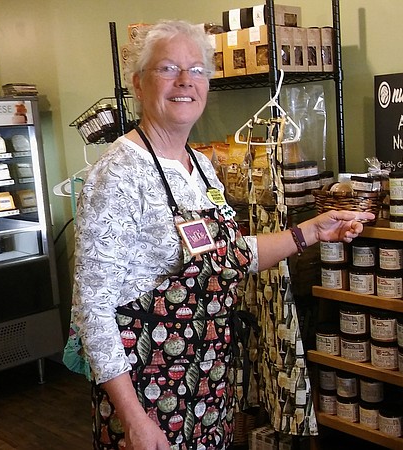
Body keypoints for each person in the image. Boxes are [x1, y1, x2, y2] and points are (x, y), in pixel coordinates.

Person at [67, 20, 373, 450]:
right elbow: (91, 311)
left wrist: (309, 231)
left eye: (196, 70)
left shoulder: (201, 166)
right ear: (138, 84)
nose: (184, 81)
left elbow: (230, 255)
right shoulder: (117, 174)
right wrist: (133, 418)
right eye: (168, 68)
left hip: (207, 373)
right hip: (145, 386)